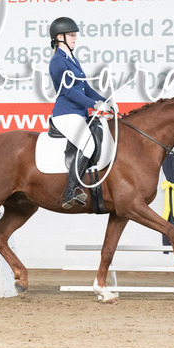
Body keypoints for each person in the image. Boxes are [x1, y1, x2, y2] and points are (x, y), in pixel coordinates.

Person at [49, 17, 108, 209]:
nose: (75, 38)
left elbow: (85, 88)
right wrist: (93, 104)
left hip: (78, 113)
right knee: (88, 145)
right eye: (71, 35)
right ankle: (70, 192)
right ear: (59, 37)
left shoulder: (72, 59)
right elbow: (68, 91)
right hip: (66, 114)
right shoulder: (57, 61)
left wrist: (104, 101)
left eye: (75, 35)